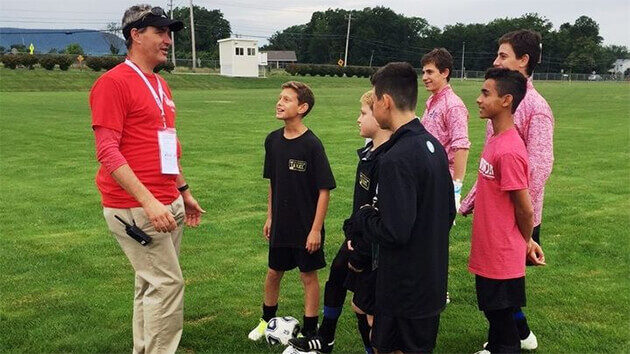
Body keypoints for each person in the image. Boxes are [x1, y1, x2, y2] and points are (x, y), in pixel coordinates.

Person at [90, 4, 204, 353]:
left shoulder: (161, 85)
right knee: (167, 285)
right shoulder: (112, 83)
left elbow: (166, 146)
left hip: (167, 201)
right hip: (138, 208)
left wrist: (182, 190)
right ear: (135, 35)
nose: (168, 40)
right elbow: (108, 151)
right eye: (160, 31)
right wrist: (149, 201)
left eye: (169, 33)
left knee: (150, 284)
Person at [460, 29, 554, 349]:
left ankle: (507, 341)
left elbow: (538, 167)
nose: (496, 60)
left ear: (524, 61)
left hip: (516, 216)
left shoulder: (535, 107)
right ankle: (518, 335)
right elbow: (489, 167)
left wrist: (520, 225)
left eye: (503, 55)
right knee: (499, 291)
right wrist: (470, 202)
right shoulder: (498, 104)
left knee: (502, 290)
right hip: (498, 211)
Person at [353, 62, 455, 353]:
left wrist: (365, 216)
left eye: (374, 104)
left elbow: (394, 231)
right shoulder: (432, 146)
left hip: (403, 289)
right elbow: (447, 212)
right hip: (430, 281)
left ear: (385, 102)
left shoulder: (396, 157)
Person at [288, 90, 392, 354]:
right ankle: (326, 337)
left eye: (363, 113)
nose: (358, 119)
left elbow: (379, 211)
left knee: (364, 306)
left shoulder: (387, 160)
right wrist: (351, 230)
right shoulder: (368, 153)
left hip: (371, 246)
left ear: (380, 117)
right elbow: (361, 205)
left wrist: (361, 246)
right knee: (336, 277)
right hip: (356, 236)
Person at [248, 81, 336, 346]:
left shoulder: (312, 145)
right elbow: (273, 183)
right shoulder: (272, 140)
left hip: (305, 227)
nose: (279, 102)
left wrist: (315, 229)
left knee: (308, 277)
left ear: (302, 107)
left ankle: (310, 331)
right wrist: (270, 216)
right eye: (280, 97)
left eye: (287, 99)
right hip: (281, 224)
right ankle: (266, 320)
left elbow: (324, 190)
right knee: (274, 272)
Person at [420, 48, 470, 211]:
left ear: (445, 72)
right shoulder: (432, 101)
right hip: (426, 178)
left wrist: (456, 189)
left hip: (441, 182)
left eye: (429, 72)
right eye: (423, 72)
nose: (424, 77)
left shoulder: (453, 105)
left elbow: (461, 147)